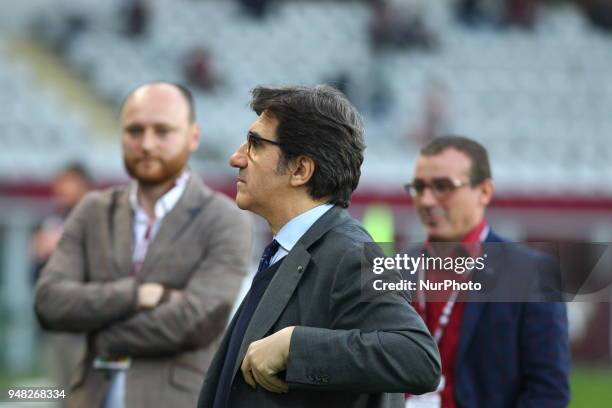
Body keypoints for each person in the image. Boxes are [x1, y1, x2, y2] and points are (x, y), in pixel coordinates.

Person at [197, 85, 441, 408]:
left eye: (255, 144)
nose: (236, 157)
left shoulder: (350, 254)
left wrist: (294, 347)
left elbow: (418, 357)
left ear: (300, 170)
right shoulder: (291, 248)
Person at [34, 82, 252, 408]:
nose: (147, 144)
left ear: (193, 136)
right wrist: (138, 295)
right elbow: (50, 302)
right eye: (135, 131)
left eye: (163, 131)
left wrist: (101, 333)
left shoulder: (225, 219)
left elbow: (198, 321)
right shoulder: (93, 211)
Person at [404, 135, 570, 407]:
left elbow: (547, 392)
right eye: (419, 187)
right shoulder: (394, 270)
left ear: (484, 191)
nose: (426, 200)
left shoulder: (531, 274)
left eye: (443, 187)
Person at [31, 163, 91, 406]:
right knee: (58, 392)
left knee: (84, 392)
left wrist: (62, 247)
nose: (60, 188)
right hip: (55, 322)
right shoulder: (52, 219)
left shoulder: (93, 219)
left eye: (67, 182)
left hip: (84, 323)